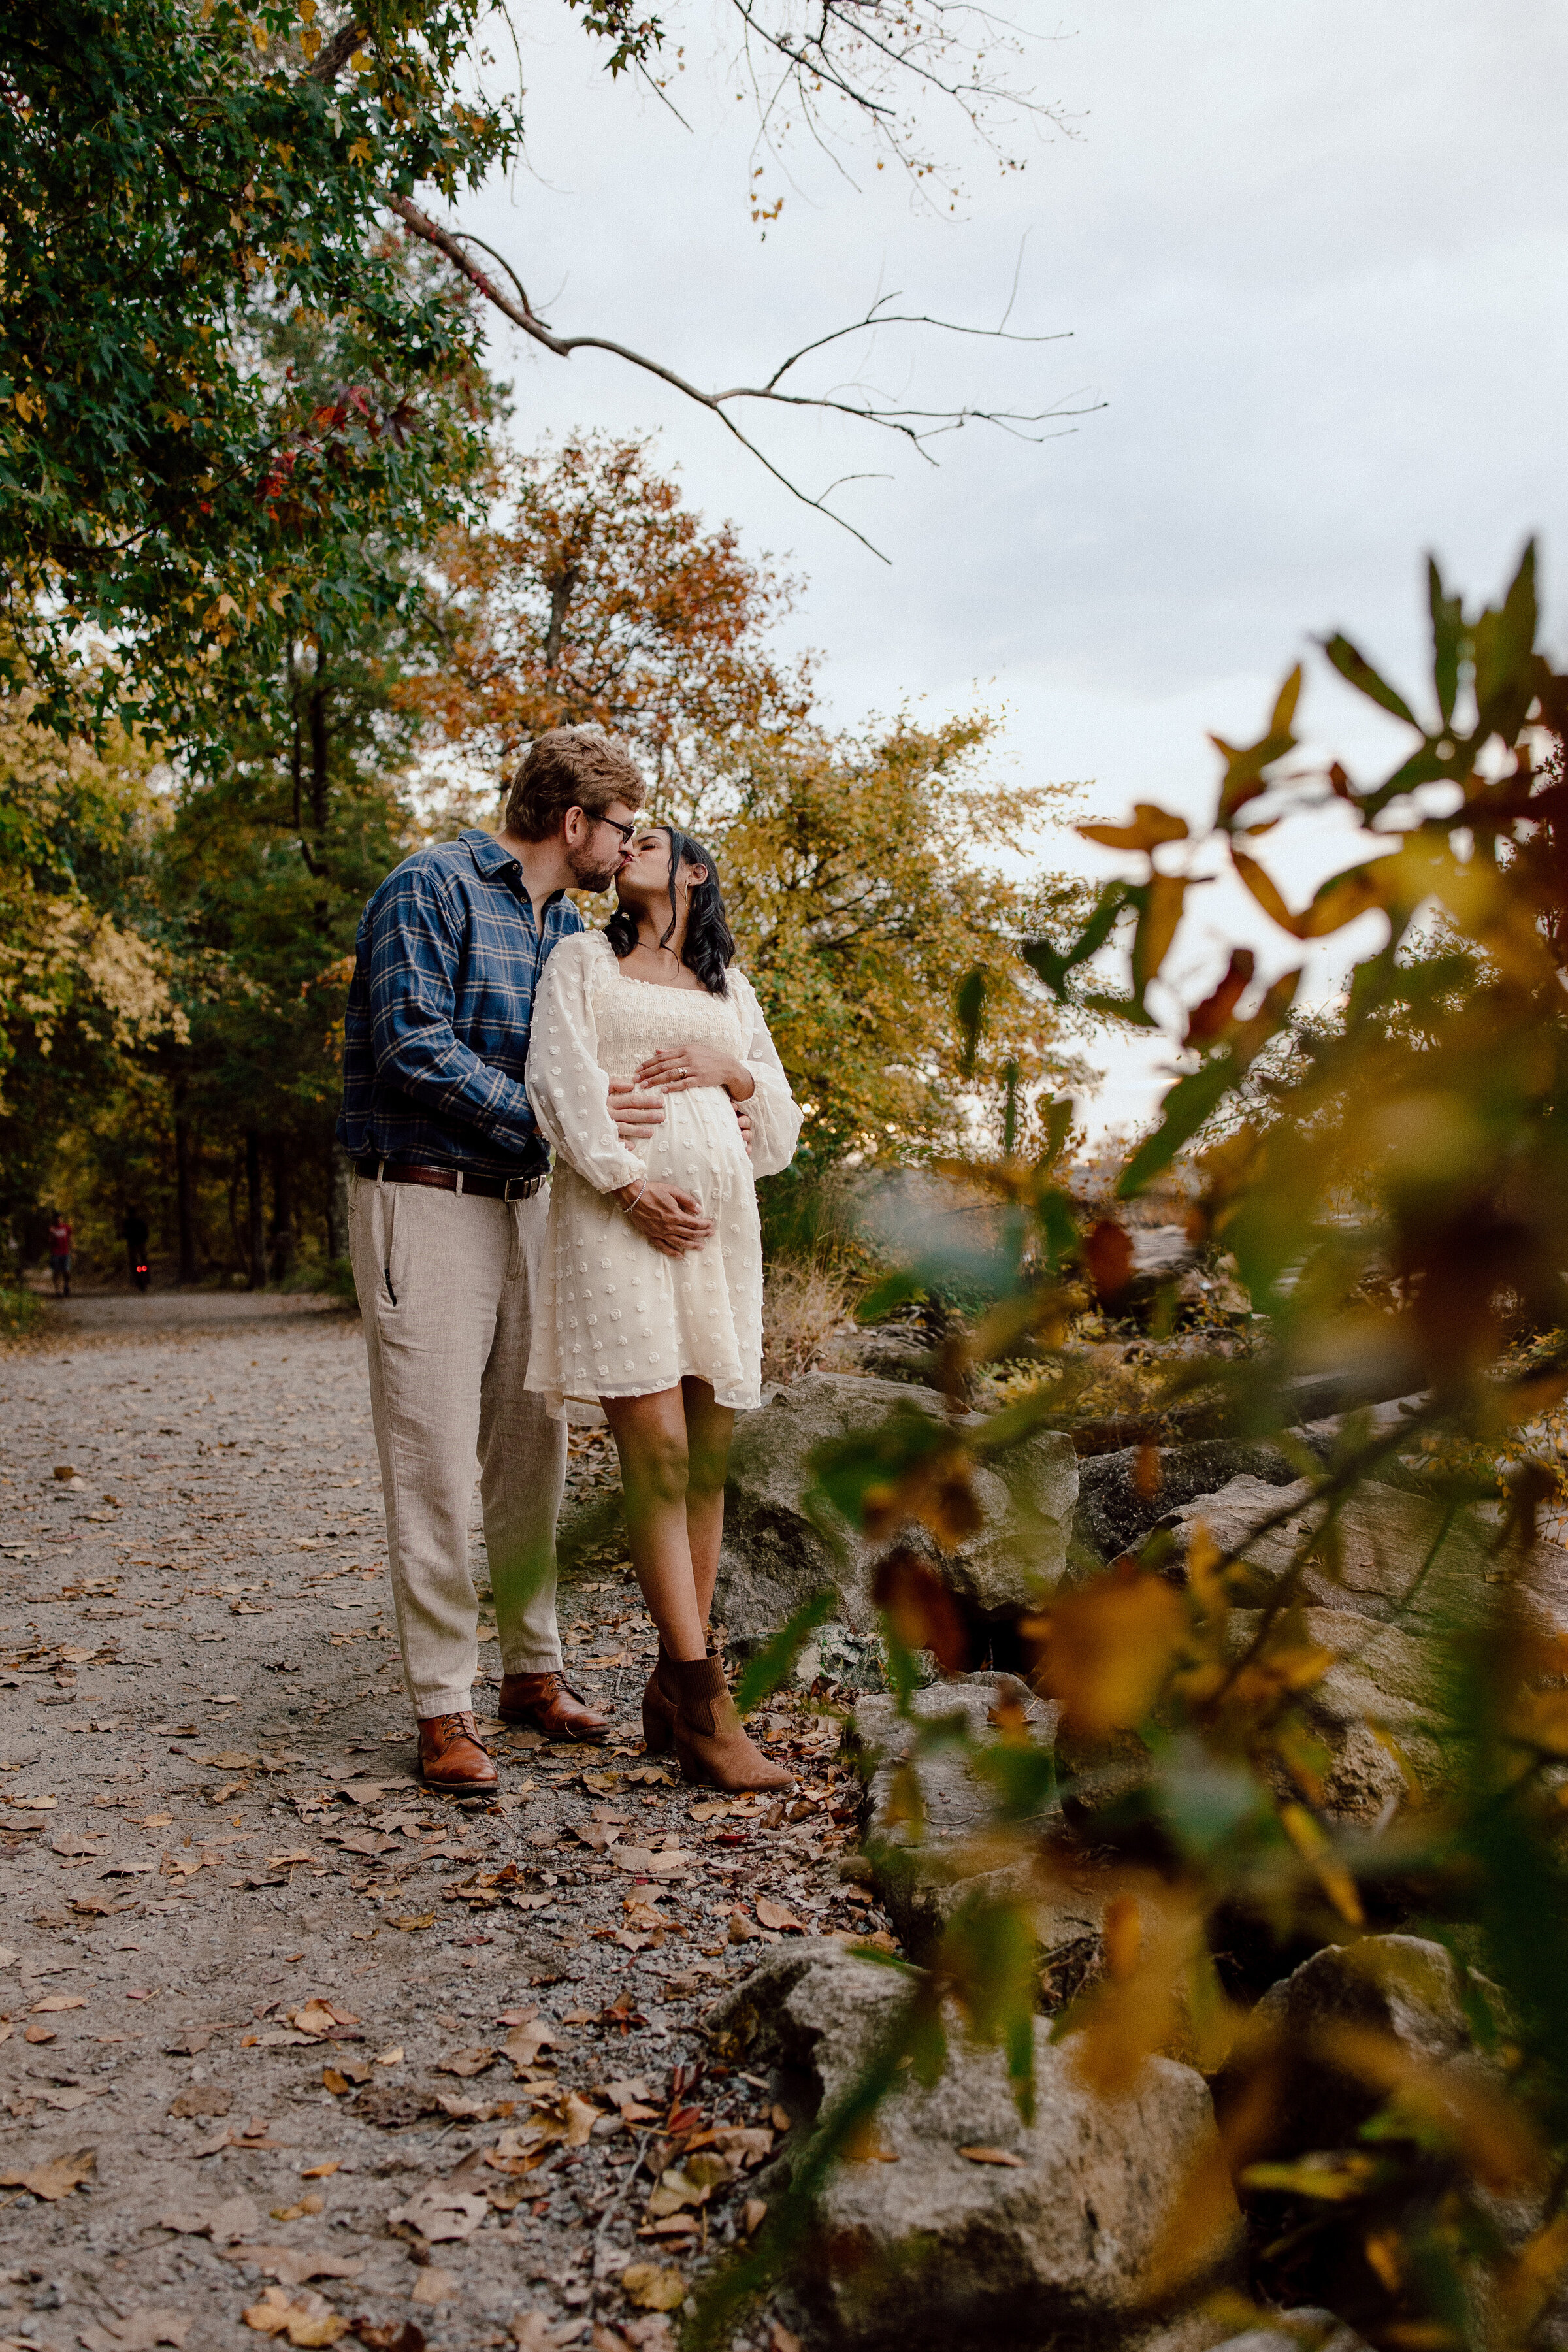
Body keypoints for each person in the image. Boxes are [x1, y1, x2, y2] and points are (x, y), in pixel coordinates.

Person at [336, 729, 671, 1795]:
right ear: (574, 822)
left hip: (532, 1204)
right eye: (621, 830)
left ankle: (534, 1671)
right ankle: (443, 1708)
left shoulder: (568, 931)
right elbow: (411, 1041)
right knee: (433, 1457)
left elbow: (578, 1068)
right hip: (423, 1193)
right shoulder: (427, 888)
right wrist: (550, 1113)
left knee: (535, 1449)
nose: (626, 850)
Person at [525, 825, 802, 1791]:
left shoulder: (731, 989)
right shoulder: (582, 960)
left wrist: (730, 1073)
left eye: (650, 839)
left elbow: (777, 1130)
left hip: (721, 1238)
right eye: (623, 835)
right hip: (621, 1227)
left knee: (707, 1468)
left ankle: (663, 1693)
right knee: (662, 1461)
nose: (627, 847)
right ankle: (705, 1697)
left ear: (695, 871)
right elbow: (555, 1086)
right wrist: (628, 1184)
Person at [122, 1207, 150, 1291]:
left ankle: (139, 1278)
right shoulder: (140, 1221)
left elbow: (124, 1234)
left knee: (135, 1261)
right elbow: (146, 1232)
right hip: (139, 1244)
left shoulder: (128, 1222)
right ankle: (146, 1277)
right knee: (142, 1260)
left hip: (134, 1244)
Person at [46, 1209, 72, 1298]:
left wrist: (73, 1251)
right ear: (54, 1219)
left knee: (66, 1271)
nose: (58, 1219)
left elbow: (70, 1240)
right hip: (55, 1254)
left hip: (65, 1253)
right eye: (56, 1217)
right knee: (56, 1272)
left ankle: (66, 1285)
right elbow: (49, 1242)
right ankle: (58, 1291)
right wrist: (52, 1234)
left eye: (59, 1217)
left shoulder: (66, 1228)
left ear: (61, 1218)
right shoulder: (52, 1229)